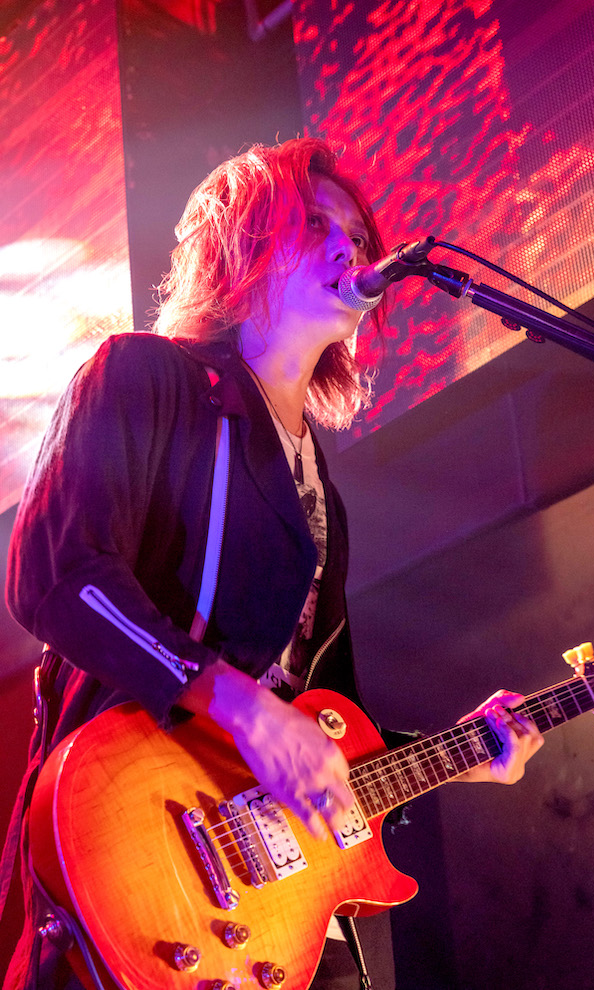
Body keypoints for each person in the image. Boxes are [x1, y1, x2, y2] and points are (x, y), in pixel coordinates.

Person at [1, 137, 543, 990]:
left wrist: (459, 752)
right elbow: (55, 573)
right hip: (136, 857)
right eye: (314, 225)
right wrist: (239, 707)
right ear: (241, 248)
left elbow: (320, 724)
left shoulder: (320, 485)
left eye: (357, 237)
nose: (349, 250)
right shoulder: (145, 376)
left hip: (273, 912)